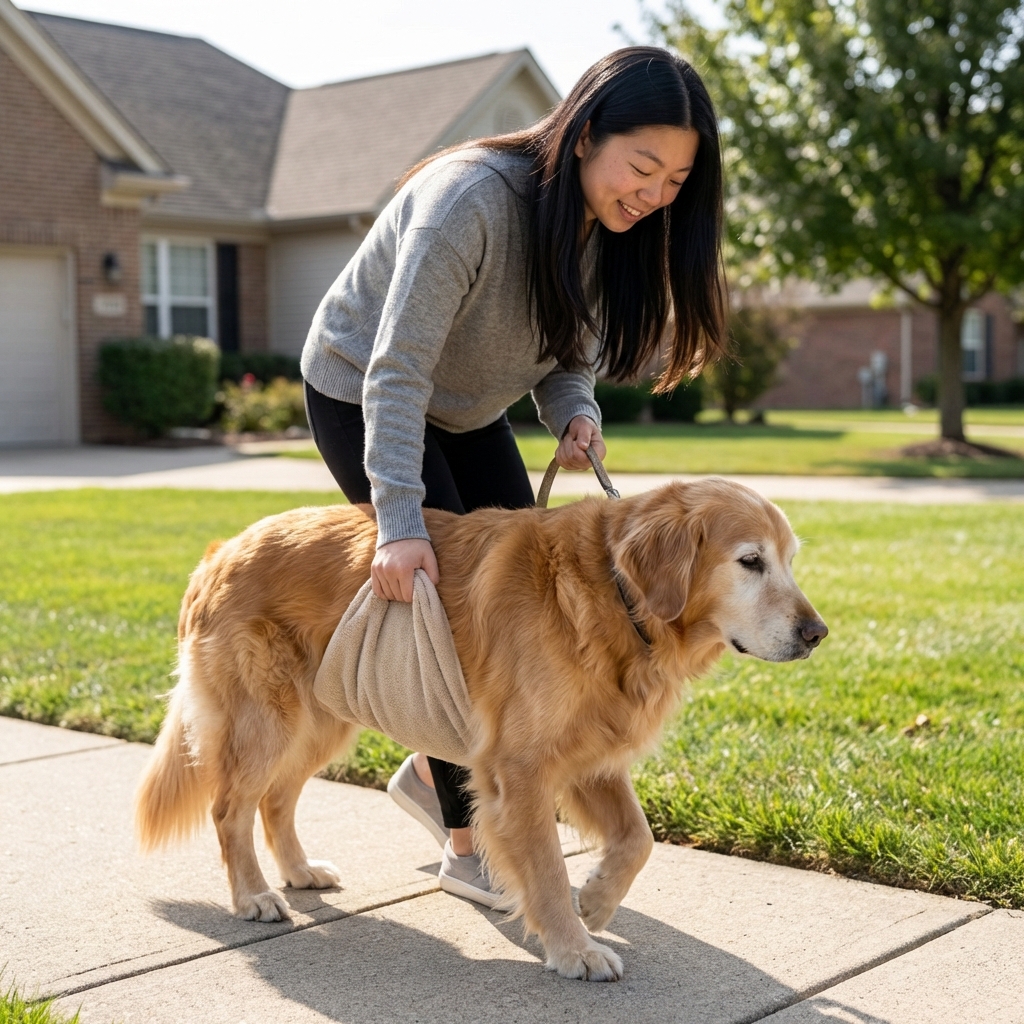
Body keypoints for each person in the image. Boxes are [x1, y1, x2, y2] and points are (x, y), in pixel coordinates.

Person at [300, 45, 727, 906]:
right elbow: (395, 371)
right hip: (364, 391)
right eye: (642, 167)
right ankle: (465, 840)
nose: (652, 195)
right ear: (581, 137)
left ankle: (432, 780)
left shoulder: (608, 230)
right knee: (463, 628)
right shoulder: (466, 203)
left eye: (676, 181)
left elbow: (568, 352)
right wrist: (401, 524)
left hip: (465, 406)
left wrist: (577, 412)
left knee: (511, 604)